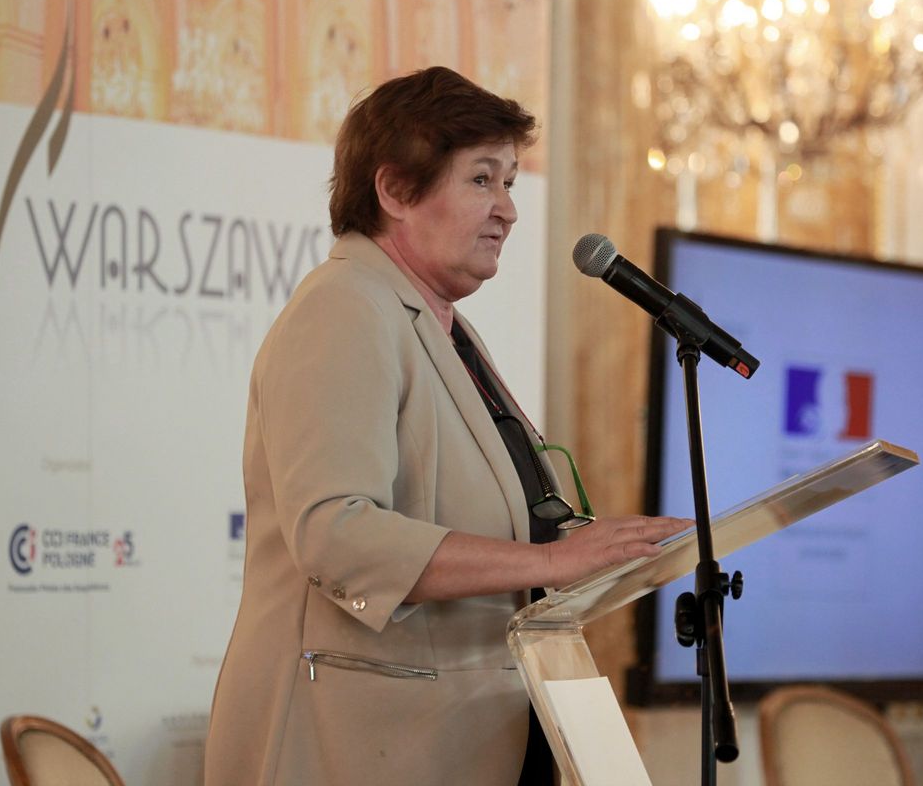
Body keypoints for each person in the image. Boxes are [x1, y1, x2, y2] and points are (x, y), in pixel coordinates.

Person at [204, 66, 688, 786]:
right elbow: (336, 533)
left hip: (473, 733)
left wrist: (586, 555)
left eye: (510, 182)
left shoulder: (439, 325)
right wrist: (549, 564)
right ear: (396, 190)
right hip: (354, 745)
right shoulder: (345, 307)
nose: (508, 210)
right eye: (482, 179)